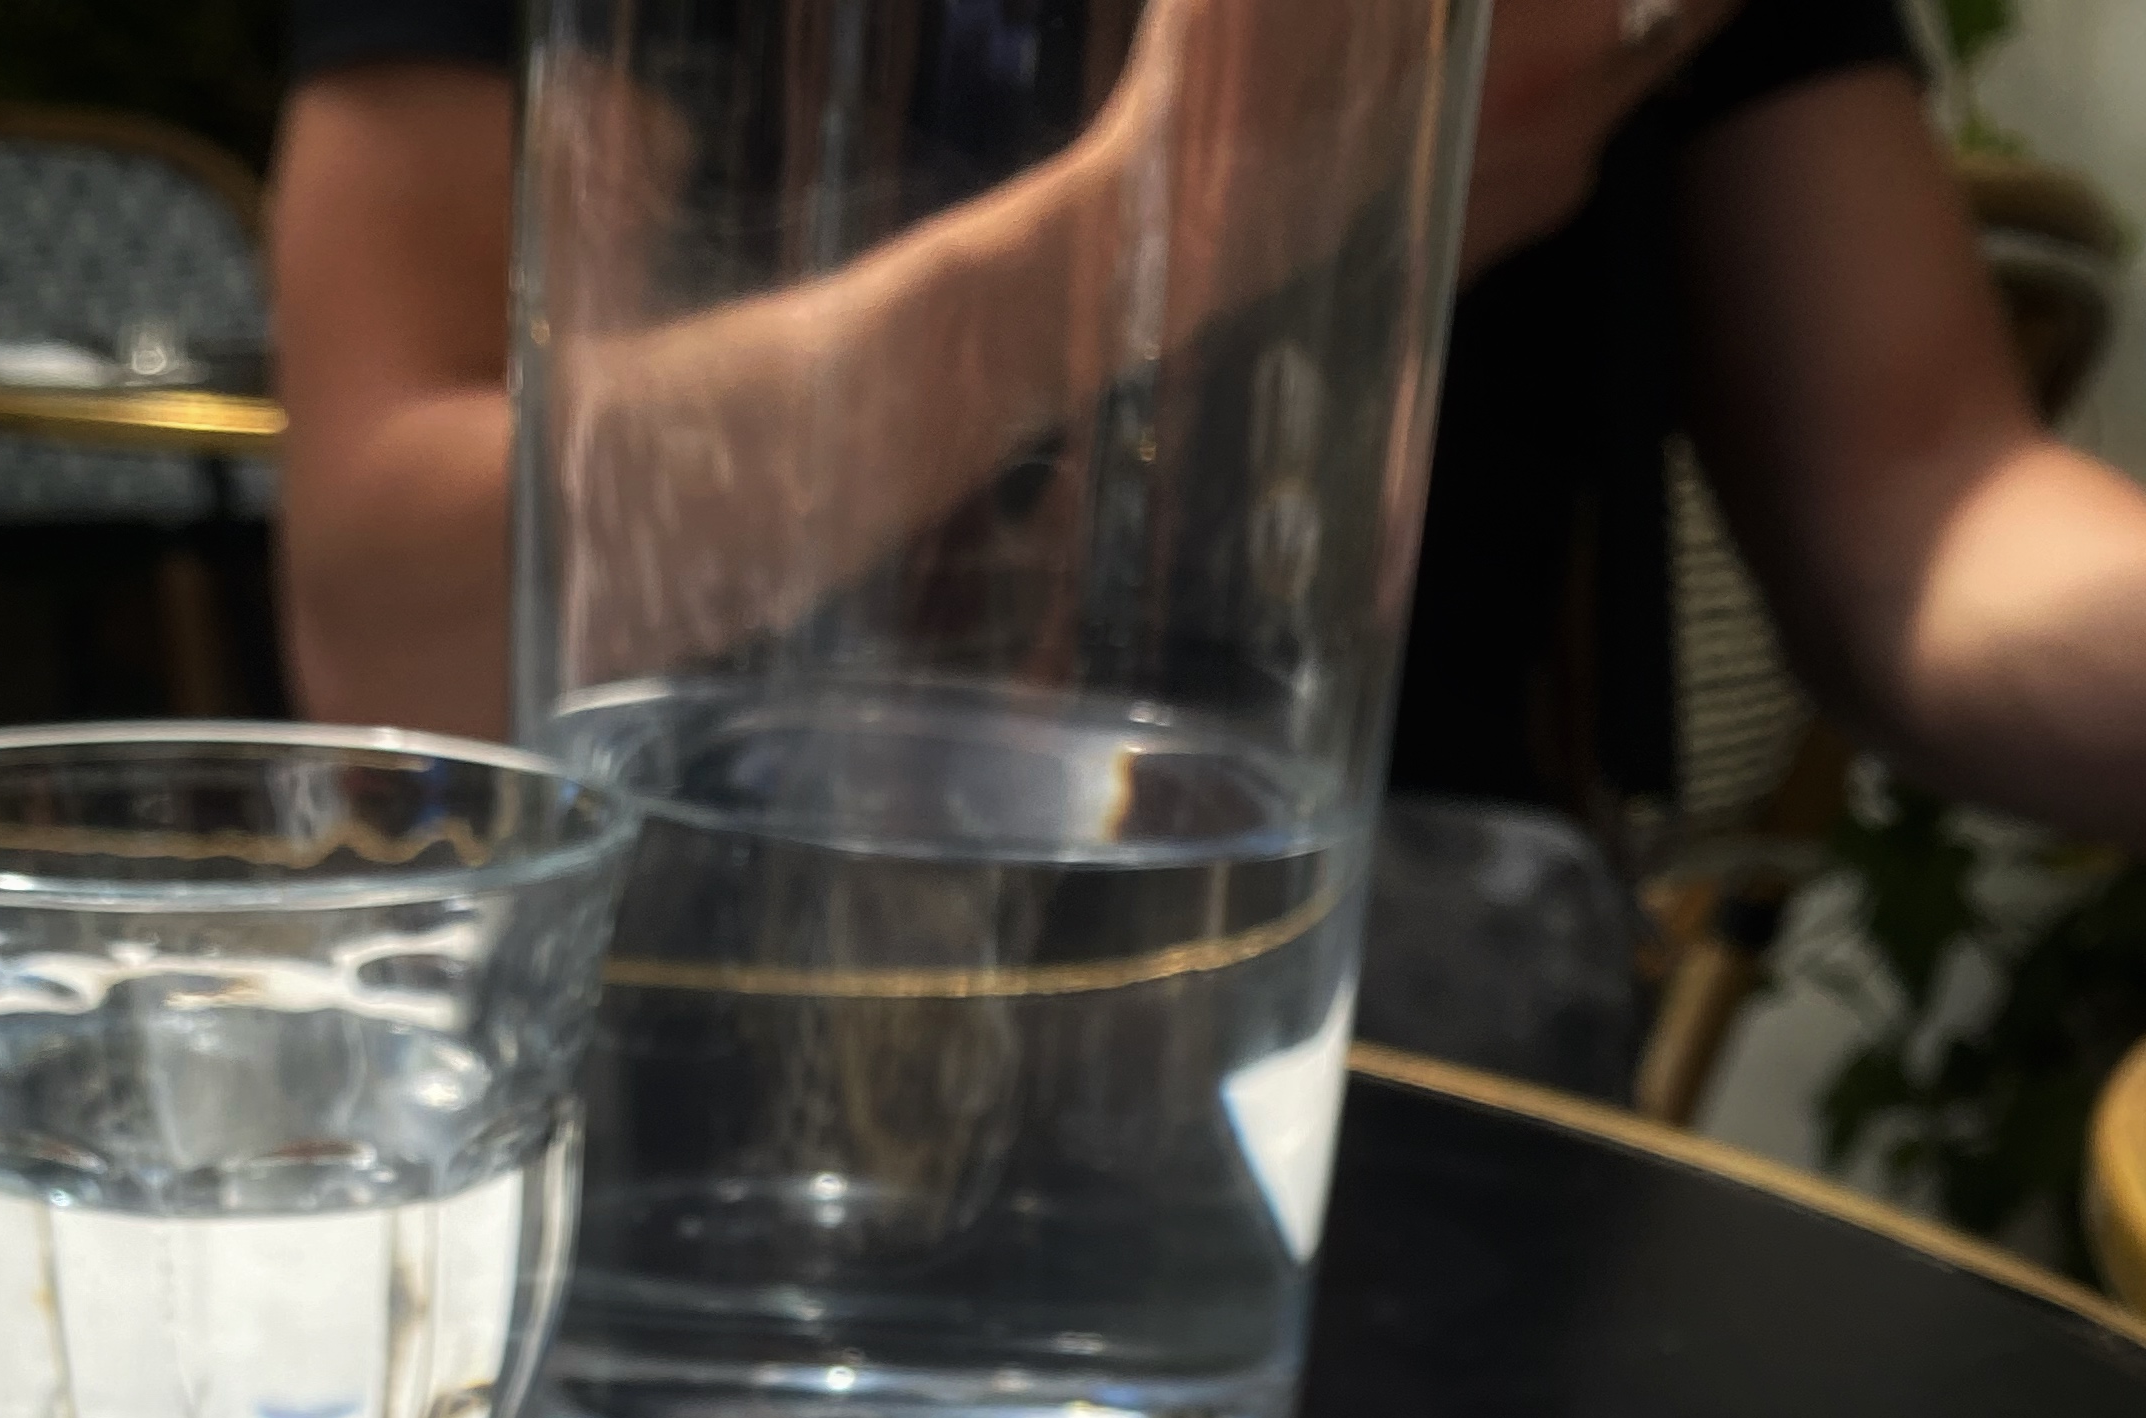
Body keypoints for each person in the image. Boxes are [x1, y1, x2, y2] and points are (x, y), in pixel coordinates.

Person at [269, 0, 2146, 852]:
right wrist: (1179, 224)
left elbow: (1927, 504)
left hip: (1385, 1053)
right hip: (685, 996)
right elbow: (402, 628)